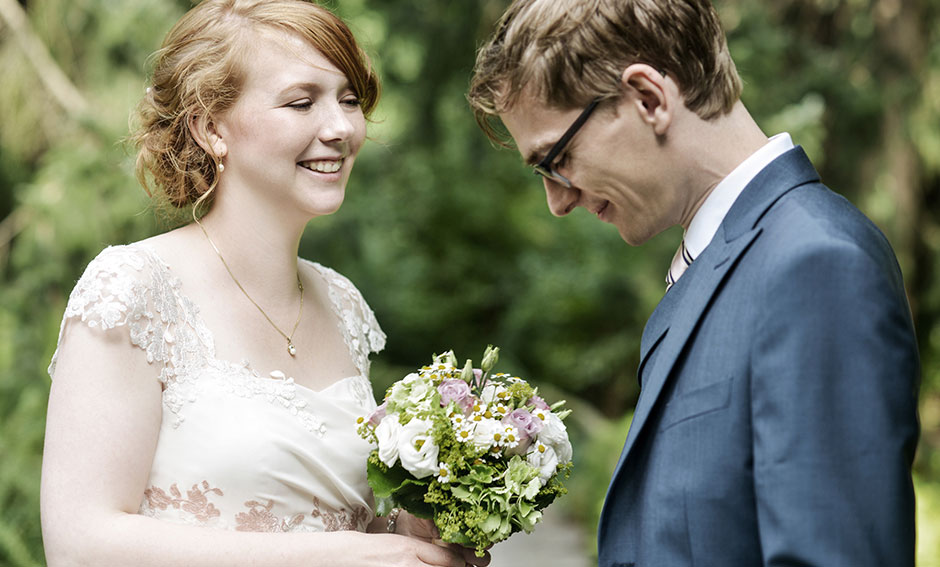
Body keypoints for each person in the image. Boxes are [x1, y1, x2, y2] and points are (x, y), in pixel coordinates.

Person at [468, 0, 920, 565]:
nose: (557, 201)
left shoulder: (815, 265)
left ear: (648, 99)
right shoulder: (722, 263)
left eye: (556, 159)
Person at [40, 1, 486, 566]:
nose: (341, 128)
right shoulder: (132, 290)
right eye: (302, 102)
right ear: (210, 128)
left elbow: (341, 522)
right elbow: (81, 544)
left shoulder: (341, 302)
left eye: (349, 100)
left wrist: (417, 528)